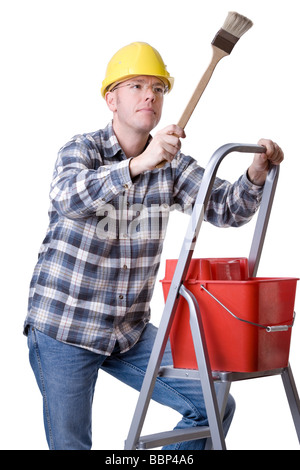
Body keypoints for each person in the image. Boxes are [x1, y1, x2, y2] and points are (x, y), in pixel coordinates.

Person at [24, 42, 284, 450]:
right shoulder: (82, 150)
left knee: (214, 403)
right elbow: (67, 197)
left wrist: (253, 175)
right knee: (71, 445)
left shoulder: (173, 166)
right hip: (65, 328)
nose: (150, 95)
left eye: (159, 88)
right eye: (137, 85)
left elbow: (225, 209)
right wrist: (136, 166)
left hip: (128, 332)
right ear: (112, 99)